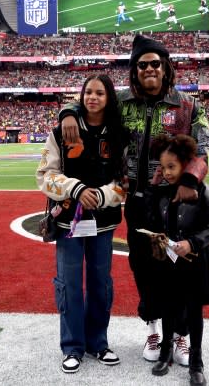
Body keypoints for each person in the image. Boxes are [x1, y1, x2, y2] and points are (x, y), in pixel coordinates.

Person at [59, 34, 209, 366]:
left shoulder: (187, 106)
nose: (148, 69)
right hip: (136, 202)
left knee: (178, 267)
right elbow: (90, 101)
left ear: (166, 67)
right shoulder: (122, 101)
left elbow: (205, 146)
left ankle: (182, 335)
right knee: (143, 267)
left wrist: (191, 178)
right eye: (142, 64)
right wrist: (68, 112)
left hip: (174, 203)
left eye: (155, 63)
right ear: (134, 69)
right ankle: (154, 329)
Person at [36, 74, 127, 374]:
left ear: (108, 97)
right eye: (88, 92)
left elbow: (127, 179)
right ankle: (72, 346)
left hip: (103, 222)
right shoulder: (61, 131)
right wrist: (75, 189)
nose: (93, 98)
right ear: (81, 95)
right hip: (68, 224)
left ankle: (98, 343)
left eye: (100, 93)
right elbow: (45, 175)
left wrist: (102, 195)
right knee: (70, 285)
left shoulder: (119, 133)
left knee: (101, 284)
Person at [146, 133, 209, 386]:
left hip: (195, 262)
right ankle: (165, 352)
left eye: (172, 166)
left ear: (186, 164)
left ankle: (196, 362)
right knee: (168, 307)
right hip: (169, 262)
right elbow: (153, 220)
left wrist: (191, 243)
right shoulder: (162, 192)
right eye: (163, 167)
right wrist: (152, 187)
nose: (167, 172)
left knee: (194, 313)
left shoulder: (204, 190)